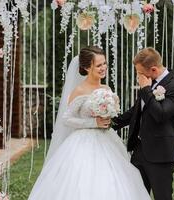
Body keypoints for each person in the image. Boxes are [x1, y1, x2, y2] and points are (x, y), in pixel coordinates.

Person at [28, 46, 151, 200]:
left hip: (107, 140)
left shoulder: (106, 88)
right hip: (82, 143)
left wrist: (109, 116)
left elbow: (111, 114)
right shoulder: (79, 90)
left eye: (105, 63)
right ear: (87, 67)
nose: (104, 68)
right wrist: (94, 122)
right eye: (99, 65)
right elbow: (66, 119)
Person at [112, 47, 174, 200]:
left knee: (162, 196)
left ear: (153, 69)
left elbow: (161, 114)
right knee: (135, 195)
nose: (138, 76)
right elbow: (137, 110)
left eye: (139, 73)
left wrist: (146, 89)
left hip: (161, 154)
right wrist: (111, 122)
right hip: (139, 150)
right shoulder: (149, 81)